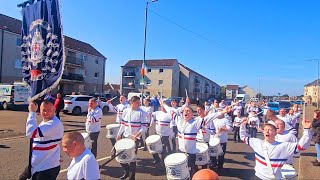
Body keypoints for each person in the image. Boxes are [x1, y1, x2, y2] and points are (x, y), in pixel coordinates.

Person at [163, 99, 230, 177]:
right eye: (184, 111)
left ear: (192, 114)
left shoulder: (195, 123)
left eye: (188, 111)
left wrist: (223, 112)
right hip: (181, 151)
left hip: (191, 153)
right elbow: (170, 111)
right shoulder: (178, 121)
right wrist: (163, 104)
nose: (185, 112)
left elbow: (209, 117)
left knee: (192, 170)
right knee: (182, 172)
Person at [240, 117, 313, 179]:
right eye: (265, 130)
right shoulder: (257, 143)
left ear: (275, 133)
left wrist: (307, 130)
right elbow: (243, 137)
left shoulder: (283, 146)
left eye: (270, 130)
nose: (267, 131)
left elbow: (301, 146)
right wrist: (243, 125)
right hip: (257, 177)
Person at [19, 100, 64, 180]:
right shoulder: (45, 122)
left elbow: (31, 133)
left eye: (49, 110)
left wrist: (32, 112)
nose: (46, 113)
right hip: (36, 165)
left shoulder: (54, 124)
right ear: (40, 110)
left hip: (46, 168)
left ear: (54, 109)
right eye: (44, 110)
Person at [116, 96, 148, 180]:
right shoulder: (126, 111)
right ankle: (126, 171)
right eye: (137, 102)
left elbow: (144, 126)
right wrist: (119, 134)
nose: (139, 104)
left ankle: (131, 177)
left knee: (132, 159)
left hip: (134, 139)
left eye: (139, 102)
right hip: (125, 137)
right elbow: (123, 124)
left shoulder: (142, 112)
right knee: (120, 155)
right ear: (132, 102)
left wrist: (137, 135)